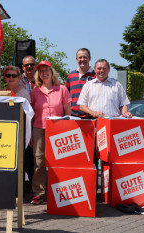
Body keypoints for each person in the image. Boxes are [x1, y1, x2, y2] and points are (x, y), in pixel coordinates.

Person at [30, 61, 71, 205]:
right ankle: (39, 193)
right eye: (41, 71)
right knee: (39, 161)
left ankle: (60, 192)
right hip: (39, 129)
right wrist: (30, 133)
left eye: (46, 70)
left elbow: (67, 111)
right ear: (38, 75)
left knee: (58, 161)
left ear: (52, 72)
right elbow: (32, 113)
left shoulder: (62, 89)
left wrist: (66, 129)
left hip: (57, 129)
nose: (44, 73)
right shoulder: (35, 91)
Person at [65, 48, 96, 118]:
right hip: (73, 116)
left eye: (85, 57)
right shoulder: (71, 75)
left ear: (89, 58)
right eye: (80, 57)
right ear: (76, 59)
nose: (82, 59)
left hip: (91, 117)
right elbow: (66, 96)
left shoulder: (96, 76)